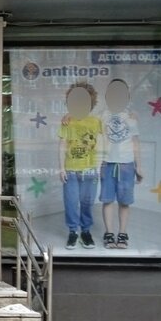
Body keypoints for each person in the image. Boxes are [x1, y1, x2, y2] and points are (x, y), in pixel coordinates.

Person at [99, 78, 143, 249]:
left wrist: (139, 166)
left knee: (125, 201)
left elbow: (135, 143)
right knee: (107, 199)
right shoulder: (102, 116)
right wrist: (67, 116)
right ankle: (109, 233)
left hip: (126, 165)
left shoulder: (131, 118)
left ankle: (122, 233)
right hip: (107, 163)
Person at [58, 83, 102, 249]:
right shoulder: (67, 121)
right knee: (70, 201)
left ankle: (85, 231)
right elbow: (62, 145)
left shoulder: (96, 121)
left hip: (90, 169)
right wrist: (61, 168)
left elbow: (102, 144)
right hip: (71, 170)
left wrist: (99, 166)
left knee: (87, 202)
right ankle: (72, 232)